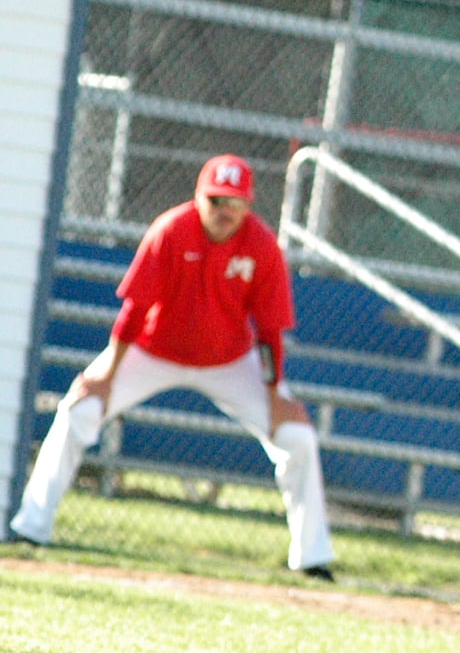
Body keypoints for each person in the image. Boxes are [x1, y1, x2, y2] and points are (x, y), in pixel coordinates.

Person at [8, 154, 337, 579]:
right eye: (216, 200)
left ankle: (312, 559)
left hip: (229, 361)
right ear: (199, 197)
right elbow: (134, 310)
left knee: (297, 437)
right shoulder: (171, 229)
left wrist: (276, 398)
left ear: (249, 207)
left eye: (235, 203)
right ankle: (31, 530)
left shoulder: (262, 245)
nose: (225, 212)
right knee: (79, 410)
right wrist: (106, 375)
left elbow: (270, 330)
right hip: (153, 350)